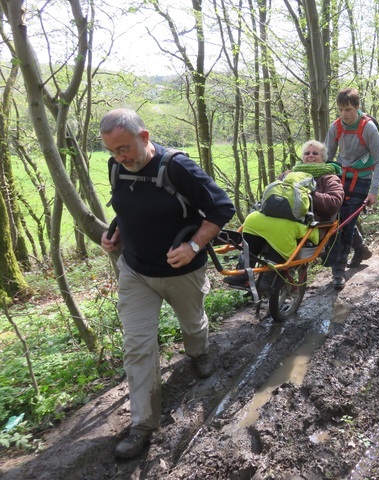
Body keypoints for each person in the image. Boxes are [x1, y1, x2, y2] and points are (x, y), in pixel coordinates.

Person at [99, 109, 235, 459]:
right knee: (138, 346)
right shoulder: (117, 168)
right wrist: (113, 234)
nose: (120, 157)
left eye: (125, 148)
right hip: (136, 272)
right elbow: (126, 206)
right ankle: (143, 425)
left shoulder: (178, 168)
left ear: (144, 137)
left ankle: (199, 353)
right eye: (113, 151)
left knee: (193, 324)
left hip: (182, 272)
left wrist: (193, 246)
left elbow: (222, 208)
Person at [224, 140, 344, 289]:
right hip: (278, 216)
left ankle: (271, 275)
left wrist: (309, 193)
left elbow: (334, 203)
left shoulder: (329, 177)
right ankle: (243, 272)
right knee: (252, 220)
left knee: (281, 228)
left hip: (310, 224)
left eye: (315, 153)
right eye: (307, 153)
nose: (310, 156)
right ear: (302, 157)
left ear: (323, 157)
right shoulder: (289, 174)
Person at [325, 87, 379, 289]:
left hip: (362, 180)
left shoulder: (368, 128)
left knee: (347, 225)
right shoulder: (335, 127)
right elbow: (326, 158)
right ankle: (361, 249)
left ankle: (338, 271)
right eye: (341, 109)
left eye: (349, 109)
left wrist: (374, 190)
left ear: (357, 107)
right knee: (339, 220)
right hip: (340, 178)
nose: (344, 114)